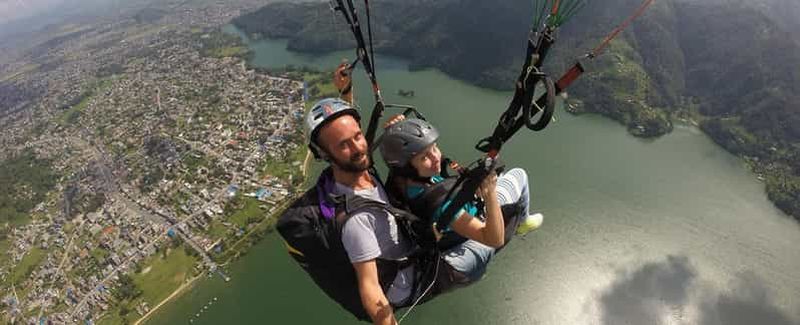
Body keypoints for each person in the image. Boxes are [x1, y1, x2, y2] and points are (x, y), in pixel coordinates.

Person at [379, 116, 544, 284]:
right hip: (471, 234)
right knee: (519, 175)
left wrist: (395, 131)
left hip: (453, 219)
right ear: (407, 168)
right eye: (424, 157)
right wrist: (489, 194)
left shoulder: (402, 180)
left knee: (497, 177)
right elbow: (494, 239)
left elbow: (399, 156)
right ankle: (522, 224)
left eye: (434, 148)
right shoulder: (442, 206)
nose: (436, 157)